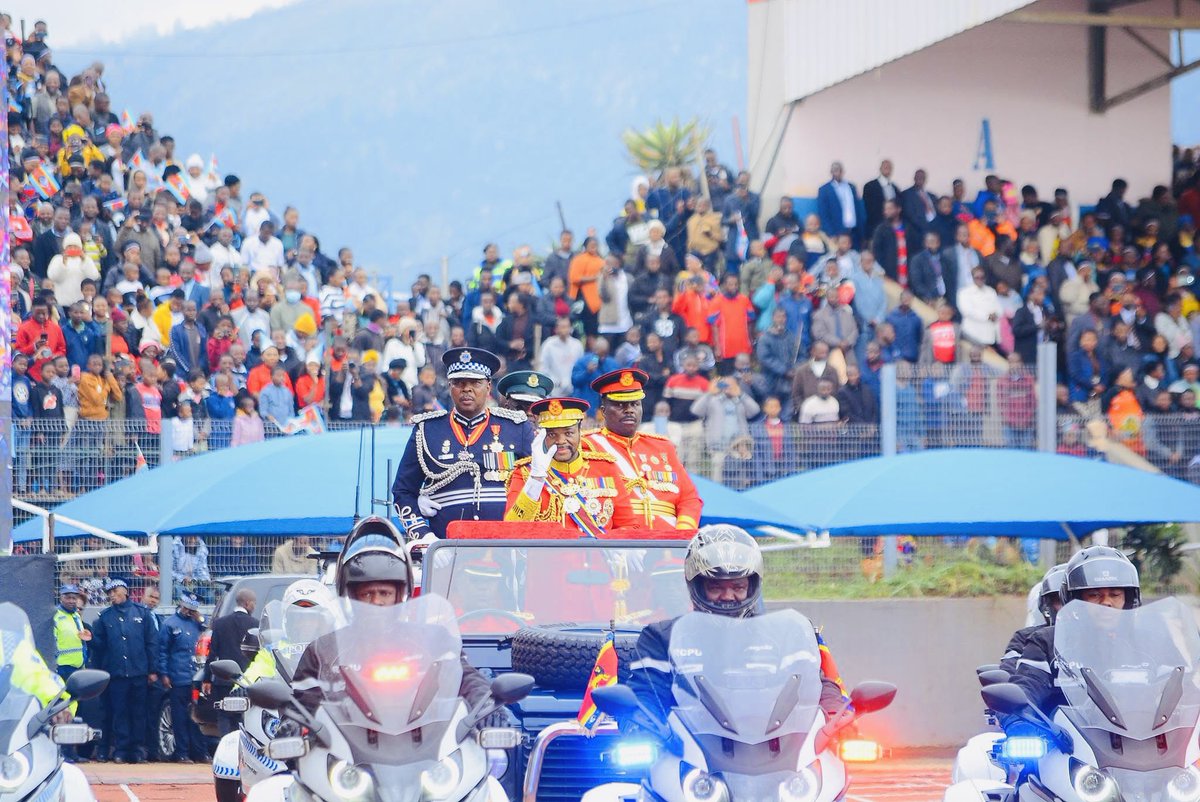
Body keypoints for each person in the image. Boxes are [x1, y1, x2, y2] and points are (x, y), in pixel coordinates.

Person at [627, 526, 847, 723]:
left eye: (738, 586)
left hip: (777, 752)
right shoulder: (662, 638)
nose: (728, 596)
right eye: (716, 587)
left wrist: (834, 714)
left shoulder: (782, 634)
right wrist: (645, 726)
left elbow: (816, 684)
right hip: (689, 753)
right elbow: (645, 696)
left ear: (751, 587)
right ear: (696, 586)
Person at [292, 518, 493, 715]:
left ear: (401, 595)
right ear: (350, 596)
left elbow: (468, 679)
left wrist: (485, 706)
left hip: (427, 744)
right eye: (367, 593)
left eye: (384, 593)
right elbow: (301, 708)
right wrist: (292, 726)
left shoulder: (433, 640)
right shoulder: (323, 652)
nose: (376, 601)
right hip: (343, 747)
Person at [392, 347, 534, 541]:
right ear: (450, 387)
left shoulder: (516, 428)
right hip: (446, 547)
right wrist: (425, 537)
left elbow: (537, 485)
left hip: (506, 546)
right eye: (459, 383)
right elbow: (403, 491)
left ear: (488, 386)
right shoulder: (426, 430)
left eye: (475, 382)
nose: (466, 389)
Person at [1011, 546, 1141, 715]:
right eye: (1095, 595)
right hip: (1065, 739)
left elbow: (1183, 689)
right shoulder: (1047, 644)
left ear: (1129, 599)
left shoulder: (1150, 643)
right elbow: (1026, 689)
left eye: (1115, 594)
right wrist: (1019, 719)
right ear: (1075, 601)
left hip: (1143, 740)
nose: (1106, 602)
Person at [583, 368, 702, 531]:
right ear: (603, 411)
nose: (629, 410)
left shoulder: (663, 447)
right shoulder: (588, 446)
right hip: (620, 546)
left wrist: (682, 534)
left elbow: (689, 498)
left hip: (667, 545)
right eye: (620, 405)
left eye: (635, 404)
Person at [505, 397, 638, 533]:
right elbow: (512, 530)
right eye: (552, 434)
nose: (561, 441)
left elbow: (628, 526)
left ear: (580, 432)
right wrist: (537, 478)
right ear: (541, 436)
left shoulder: (605, 468)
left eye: (568, 433)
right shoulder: (525, 473)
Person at [88, 578, 158, 763]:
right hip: (116, 673)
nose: (112, 595)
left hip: (138, 672)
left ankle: (137, 750)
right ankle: (121, 749)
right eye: (109, 593)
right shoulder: (105, 617)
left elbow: (151, 643)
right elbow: (100, 646)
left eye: (115, 591)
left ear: (125, 591)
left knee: (138, 712)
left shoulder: (142, 614)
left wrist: (153, 670)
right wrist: (90, 639)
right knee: (119, 713)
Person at [156, 592, 206, 763]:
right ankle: (182, 753)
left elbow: (208, 633)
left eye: (191, 609)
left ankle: (200, 753)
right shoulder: (169, 624)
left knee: (198, 717)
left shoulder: (197, 623)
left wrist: (199, 619)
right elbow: (162, 652)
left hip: (196, 677)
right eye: (186, 608)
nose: (187, 611)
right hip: (178, 677)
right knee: (180, 717)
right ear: (181, 605)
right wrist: (164, 674)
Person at [201, 587, 257, 736]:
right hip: (246, 680)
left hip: (222, 678)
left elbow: (212, 653)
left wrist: (207, 679)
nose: (254, 607)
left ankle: (226, 747)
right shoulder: (255, 624)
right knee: (244, 716)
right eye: (253, 603)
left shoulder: (220, 623)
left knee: (224, 715)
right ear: (247, 603)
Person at [999, 564, 1067, 674]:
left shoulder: (1101, 639)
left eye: (1073, 600)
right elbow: (1010, 677)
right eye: (1060, 600)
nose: (1067, 606)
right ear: (1047, 604)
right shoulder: (1025, 638)